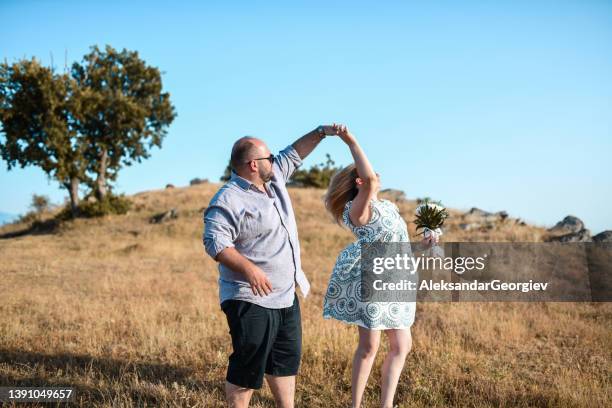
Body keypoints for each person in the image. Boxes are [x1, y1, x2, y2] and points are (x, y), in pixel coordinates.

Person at [203, 125, 339, 408]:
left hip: (285, 294)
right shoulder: (228, 199)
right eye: (268, 159)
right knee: (248, 364)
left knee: (284, 361)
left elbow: (294, 154)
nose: (275, 162)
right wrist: (250, 269)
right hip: (250, 298)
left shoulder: (274, 180)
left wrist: (321, 132)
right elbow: (215, 242)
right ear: (254, 164)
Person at [322, 124, 438, 408]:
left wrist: (422, 245)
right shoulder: (356, 210)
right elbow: (372, 179)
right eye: (370, 175)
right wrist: (350, 140)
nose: (377, 175)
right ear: (360, 182)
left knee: (402, 345)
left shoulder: (387, 206)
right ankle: (356, 406)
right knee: (369, 346)